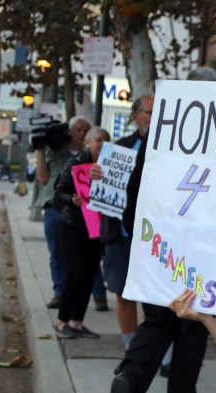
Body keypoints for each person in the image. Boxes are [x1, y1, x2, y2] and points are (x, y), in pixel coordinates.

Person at [106, 67, 216, 393]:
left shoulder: (161, 134)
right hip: (203, 245)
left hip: (161, 244)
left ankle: (130, 376)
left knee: (158, 322)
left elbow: (136, 189)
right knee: (191, 329)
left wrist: (139, 237)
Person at [90, 96, 153, 350]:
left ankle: (159, 351)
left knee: (154, 296)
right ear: (135, 116)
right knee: (123, 293)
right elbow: (101, 187)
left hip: (152, 236)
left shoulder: (168, 148)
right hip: (121, 233)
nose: (154, 116)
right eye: (149, 111)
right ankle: (131, 349)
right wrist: (96, 174)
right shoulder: (119, 148)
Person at [36, 116, 108, 312]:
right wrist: (41, 150)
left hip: (87, 212)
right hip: (55, 207)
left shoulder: (97, 157)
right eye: (78, 129)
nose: (82, 133)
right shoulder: (57, 151)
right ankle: (60, 294)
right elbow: (43, 179)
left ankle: (98, 295)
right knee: (57, 253)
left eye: (86, 129)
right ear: (69, 131)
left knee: (89, 257)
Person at [53, 126, 110, 339]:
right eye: (98, 140)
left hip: (95, 227)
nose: (102, 144)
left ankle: (77, 322)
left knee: (88, 275)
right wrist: (73, 199)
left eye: (106, 140)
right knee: (75, 273)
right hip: (73, 226)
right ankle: (61, 322)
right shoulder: (76, 163)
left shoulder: (110, 167)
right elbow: (59, 191)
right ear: (87, 142)